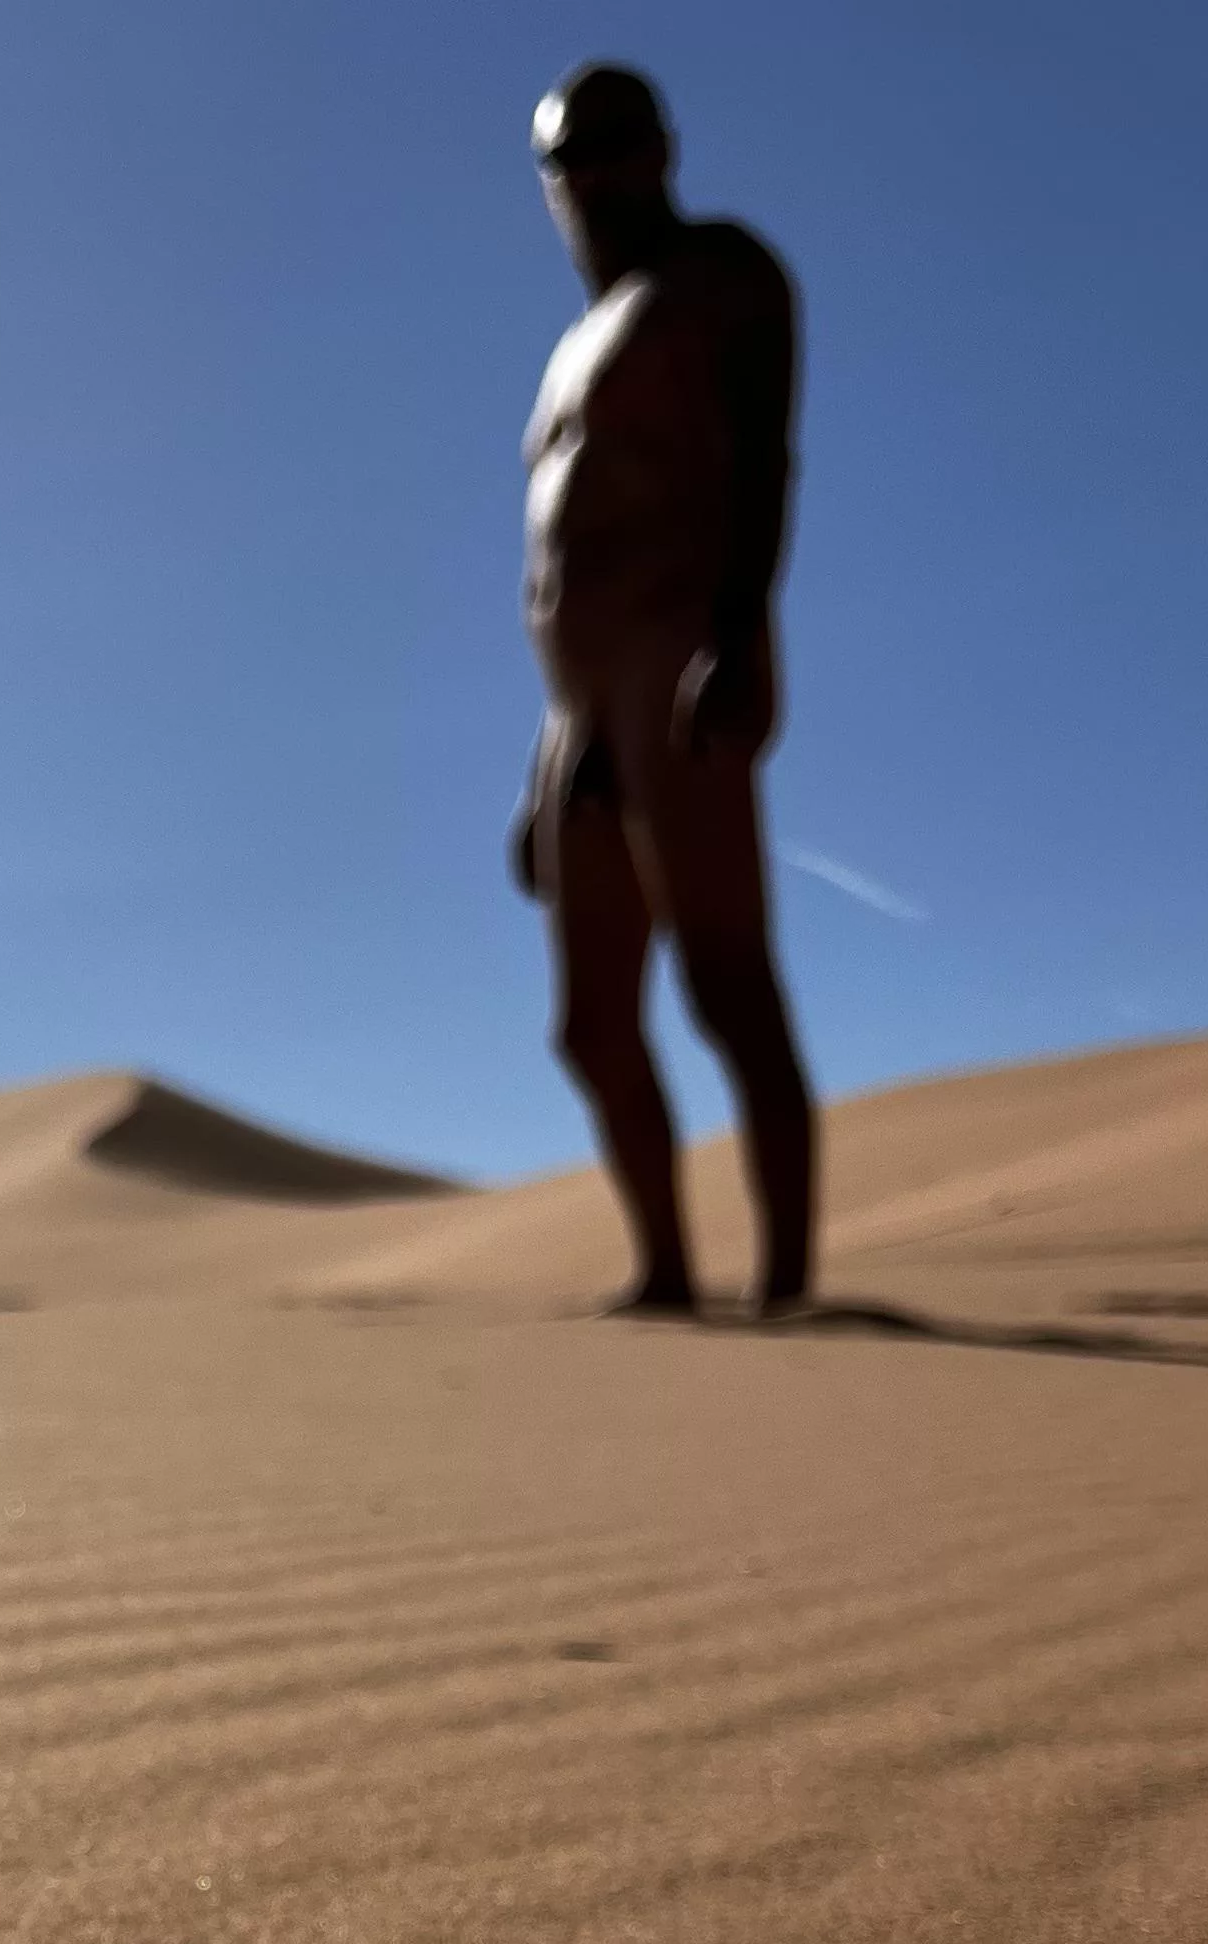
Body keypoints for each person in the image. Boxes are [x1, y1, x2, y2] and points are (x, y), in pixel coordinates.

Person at [511, 63, 818, 1316]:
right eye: (567, 159)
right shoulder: (575, 338)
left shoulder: (720, 275)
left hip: (678, 651)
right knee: (589, 1024)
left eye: (614, 145)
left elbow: (765, 452)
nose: (591, 177)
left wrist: (739, 628)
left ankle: (789, 1278)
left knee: (724, 981)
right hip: (573, 706)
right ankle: (668, 1272)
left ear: (662, 150)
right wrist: (552, 752)